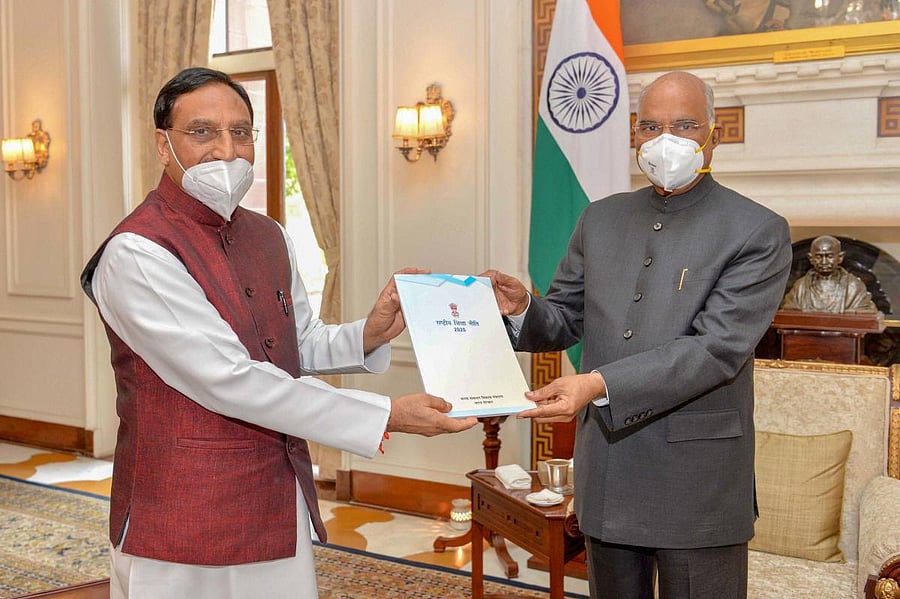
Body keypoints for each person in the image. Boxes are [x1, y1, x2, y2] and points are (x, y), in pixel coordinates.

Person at [80, 67, 477, 599]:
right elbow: (229, 378)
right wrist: (386, 415)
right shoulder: (137, 251)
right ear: (162, 143)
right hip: (181, 507)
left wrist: (368, 335)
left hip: (273, 490)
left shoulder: (268, 235)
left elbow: (296, 343)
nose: (226, 149)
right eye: (202, 131)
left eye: (241, 132)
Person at [485, 71, 792, 599]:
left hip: (698, 482)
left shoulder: (757, 229)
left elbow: (715, 350)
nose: (664, 139)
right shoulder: (600, 219)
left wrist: (595, 384)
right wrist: (522, 309)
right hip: (609, 469)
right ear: (634, 136)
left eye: (684, 125)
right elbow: (564, 317)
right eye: (650, 125)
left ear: (713, 136)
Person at [780, 234, 878, 313]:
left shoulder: (854, 286)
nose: (824, 262)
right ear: (811, 258)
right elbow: (788, 312)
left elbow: (866, 313)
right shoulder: (800, 287)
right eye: (819, 257)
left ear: (840, 257)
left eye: (829, 256)